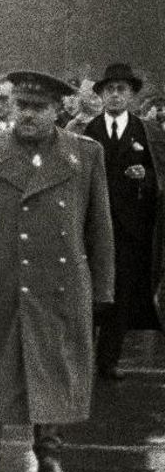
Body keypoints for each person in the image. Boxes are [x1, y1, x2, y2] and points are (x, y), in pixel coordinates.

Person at [0, 71, 114, 472]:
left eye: (38, 108)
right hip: (0, 279)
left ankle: (50, 453)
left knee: (54, 367)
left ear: (58, 110)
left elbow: (99, 225)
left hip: (59, 281)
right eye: (22, 106)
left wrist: (103, 287)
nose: (27, 115)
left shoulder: (85, 155)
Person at [83, 63, 165, 379]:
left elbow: (159, 176)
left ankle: (108, 360)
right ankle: (83, 357)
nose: (115, 95)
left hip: (132, 230)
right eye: (110, 90)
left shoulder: (147, 132)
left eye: (121, 90)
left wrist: (145, 178)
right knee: (90, 293)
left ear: (130, 95)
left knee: (122, 294)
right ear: (102, 95)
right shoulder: (88, 131)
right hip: (94, 227)